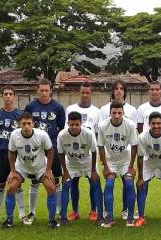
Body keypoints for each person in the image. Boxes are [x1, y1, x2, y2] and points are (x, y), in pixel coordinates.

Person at [2, 112, 58, 228]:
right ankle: (9, 220)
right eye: (24, 123)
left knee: (51, 187)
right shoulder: (14, 135)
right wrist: (12, 171)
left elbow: (51, 150)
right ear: (19, 124)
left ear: (33, 124)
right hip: (22, 167)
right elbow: (11, 152)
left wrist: (48, 170)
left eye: (29, 123)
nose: (26, 126)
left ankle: (52, 220)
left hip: (40, 167)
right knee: (11, 187)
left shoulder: (42, 135)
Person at [0, 86, 31, 226]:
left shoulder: (20, 115)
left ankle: (23, 215)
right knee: (0, 185)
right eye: (5, 94)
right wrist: (0, 146)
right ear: (2, 96)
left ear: (14, 96)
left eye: (10, 94)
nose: (8, 96)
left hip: (17, 155)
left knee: (16, 185)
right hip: (0, 154)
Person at [24, 79, 65, 221]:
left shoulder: (58, 107)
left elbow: (61, 127)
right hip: (35, 149)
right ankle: (31, 212)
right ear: (37, 90)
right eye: (41, 90)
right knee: (34, 180)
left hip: (52, 148)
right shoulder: (30, 106)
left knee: (56, 179)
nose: (44, 93)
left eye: (46, 90)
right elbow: (26, 125)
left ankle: (60, 211)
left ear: (51, 90)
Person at [99, 80, 138, 220]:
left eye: (122, 88)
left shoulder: (131, 115)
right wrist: (103, 163)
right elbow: (101, 144)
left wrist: (131, 166)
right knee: (109, 184)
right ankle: (108, 213)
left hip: (126, 157)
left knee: (128, 183)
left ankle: (127, 212)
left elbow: (134, 143)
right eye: (116, 88)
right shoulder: (103, 117)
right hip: (111, 158)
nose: (116, 115)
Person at [58, 111, 104, 227]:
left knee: (95, 183)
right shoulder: (62, 135)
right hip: (71, 163)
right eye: (72, 125)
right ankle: (65, 217)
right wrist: (65, 172)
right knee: (67, 185)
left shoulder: (88, 133)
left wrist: (93, 171)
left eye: (77, 125)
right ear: (68, 123)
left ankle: (98, 215)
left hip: (88, 162)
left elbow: (94, 152)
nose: (74, 127)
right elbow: (61, 154)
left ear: (81, 123)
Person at [134, 112, 161, 227]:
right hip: (148, 163)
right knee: (141, 185)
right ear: (149, 124)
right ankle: (141, 217)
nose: (156, 126)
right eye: (153, 123)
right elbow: (139, 158)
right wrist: (140, 177)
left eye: (158, 123)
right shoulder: (142, 137)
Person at [65, 82, 100, 221]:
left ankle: (93, 210)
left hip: (90, 153)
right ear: (79, 93)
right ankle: (75, 211)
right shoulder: (70, 109)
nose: (85, 95)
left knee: (93, 181)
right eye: (82, 92)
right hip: (73, 153)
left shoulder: (96, 111)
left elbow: (98, 133)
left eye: (87, 92)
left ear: (91, 94)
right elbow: (65, 131)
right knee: (74, 181)